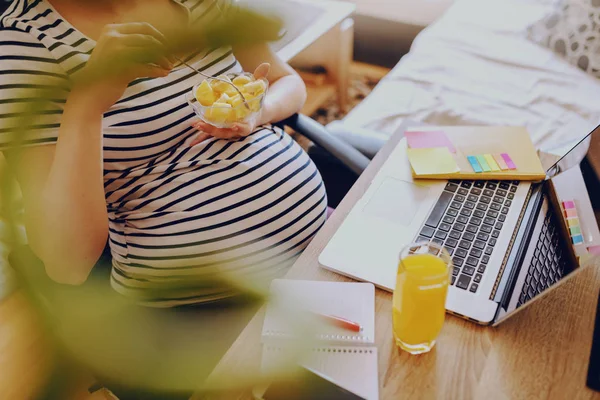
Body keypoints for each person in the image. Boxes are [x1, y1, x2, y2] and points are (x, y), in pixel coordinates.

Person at [0, 0, 327, 307]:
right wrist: (87, 104)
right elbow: (67, 264)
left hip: (319, 250)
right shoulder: (23, 47)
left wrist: (260, 110)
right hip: (203, 312)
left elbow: (288, 81)